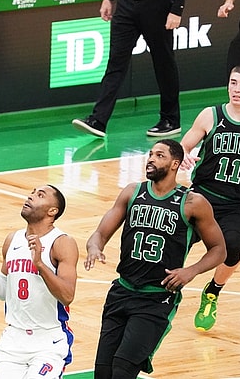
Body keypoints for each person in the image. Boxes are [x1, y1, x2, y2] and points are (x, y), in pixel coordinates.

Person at [84, 139, 226, 378]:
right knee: (103, 372)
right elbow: (99, 233)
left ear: (175, 164)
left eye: (159, 155)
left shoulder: (192, 203)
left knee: (122, 370)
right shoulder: (132, 192)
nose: (150, 159)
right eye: (150, 154)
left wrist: (190, 271)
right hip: (121, 292)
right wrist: (94, 247)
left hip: (156, 299)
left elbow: (219, 249)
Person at [72, 0, 188, 139]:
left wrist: (177, 9)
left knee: (164, 62)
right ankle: (98, 120)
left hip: (158, 3)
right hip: (127, 2)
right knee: (115, 62)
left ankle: (171, 119)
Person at [0, 184, 78, 379]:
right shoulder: (12, 240)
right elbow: (4, 290)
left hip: (48, 341)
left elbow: (67, 296)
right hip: (13, 341)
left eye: (40, 195)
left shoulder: (62, 242)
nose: (31, 196)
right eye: (32, 192)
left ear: (52, 211)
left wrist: (40, 264)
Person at [179, 64, 240, 332]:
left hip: (236, 205)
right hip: (201, 196)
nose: (237, 89)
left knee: (232, 250)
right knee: (173, 244)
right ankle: (160, 294)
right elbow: (184, 145)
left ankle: (212, 292)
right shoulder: (211, 115)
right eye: (233, 82)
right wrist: (183, 155)